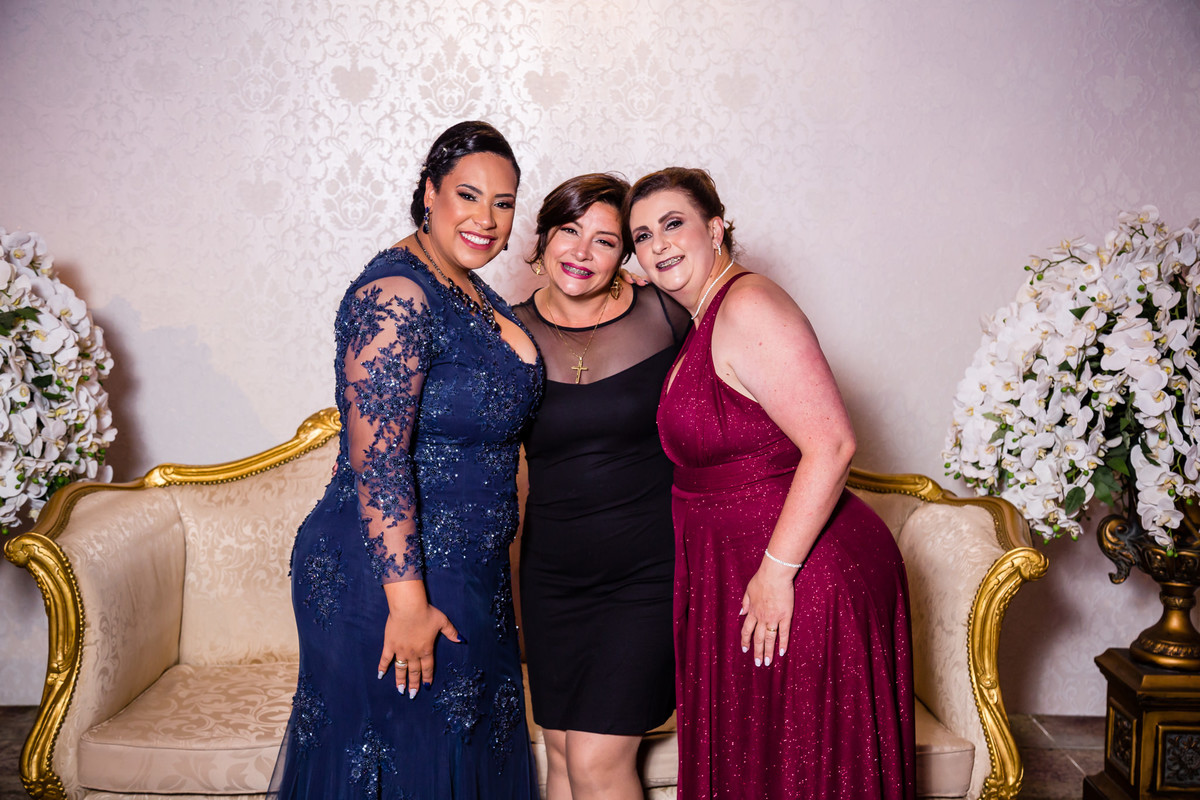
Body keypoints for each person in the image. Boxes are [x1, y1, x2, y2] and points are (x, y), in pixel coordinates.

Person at [623, 167, 916, 799]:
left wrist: (777, 573)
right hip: (746, 571)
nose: (659, 243)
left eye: (673, 224)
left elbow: (832, 444)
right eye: (642, 236)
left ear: (715, 229)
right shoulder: (705, 315)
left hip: (799, 575)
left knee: (804, 767)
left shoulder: (748, 303)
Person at [271, 121, 542, 799]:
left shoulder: (467, 287)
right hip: (393, 579)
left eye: (503, 203)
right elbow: (379, 462)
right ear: (429, 192)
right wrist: (408, 604)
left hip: (470, 574)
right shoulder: (398, 292)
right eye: (468, 195)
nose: (486, 219)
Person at [511, 173, 688, 800]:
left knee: (595, 761)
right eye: (569, 230)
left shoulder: (666, 316)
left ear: (624, 255)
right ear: (542, 239)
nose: (582, 252)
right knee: (561, 756)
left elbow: (735, 404)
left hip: (645, 576)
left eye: (605, 241)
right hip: (552, 578)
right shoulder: (507, 333)